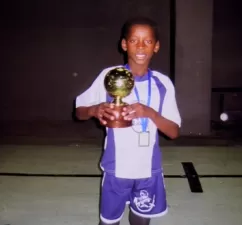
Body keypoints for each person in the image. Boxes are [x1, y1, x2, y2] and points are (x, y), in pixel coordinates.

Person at [75, 17, 181, 225]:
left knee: (141, 221)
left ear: (156, 46)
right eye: (134, 40)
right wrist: (95, 110)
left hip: (148, 170)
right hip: (116, 168)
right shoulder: (109, 76)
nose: (141, 46)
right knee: (109, 222)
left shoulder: (163, 84)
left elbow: (174, 132)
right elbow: (79, 112)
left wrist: (150, 113)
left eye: (148, 41)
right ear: (124, 44)